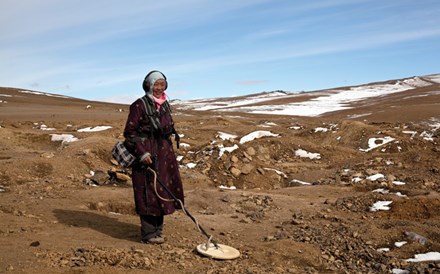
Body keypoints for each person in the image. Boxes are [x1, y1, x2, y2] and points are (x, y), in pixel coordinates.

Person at [123, 70, 184, 244]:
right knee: (147, 191)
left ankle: (158, 230)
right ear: (148, 85)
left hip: (164, 155)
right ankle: (148, 233)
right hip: (146, 155)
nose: (159, 88)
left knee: (162, 190)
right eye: (155, 84)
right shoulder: (138, 105)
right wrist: (142, 153)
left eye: (162, 84)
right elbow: (130, 133)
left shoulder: (165, 104)